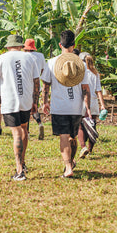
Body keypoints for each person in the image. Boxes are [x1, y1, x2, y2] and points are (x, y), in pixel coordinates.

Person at [0, 34, 40, 181]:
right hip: (26, 100)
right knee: (24, 130)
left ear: (8, 46)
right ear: (21, 46)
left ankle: (19, 170)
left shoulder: (2, 58)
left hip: (10, 101)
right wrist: (35, 102)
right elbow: (36, 82)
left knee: (16, 133)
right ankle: (23, 162)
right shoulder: (30, 58)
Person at [42, 30, 91, 178]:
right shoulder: (81, 64)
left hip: (59, 107)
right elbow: (85, 89)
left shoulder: (51, 63)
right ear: (74, 45)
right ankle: (72, 161)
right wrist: (87, 107)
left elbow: (45, 86)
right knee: (73, 137)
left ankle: (68, 166)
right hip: (76, 107)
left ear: (59, 44)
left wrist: (44, 102)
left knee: (64, 136)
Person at [78, 52, 106, 158]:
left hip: (82, 101)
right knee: (92, 125)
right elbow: (99, 90)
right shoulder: (95, 73)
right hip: (94, 102)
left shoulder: (80, 73)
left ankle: (83, 147)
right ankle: (90, 149)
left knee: (81, 126)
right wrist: (102, 104)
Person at [23, 38, 46, 140]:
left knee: (26, 109)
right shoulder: (40, 56)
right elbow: (42, 70)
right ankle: (40, 123)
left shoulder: (24, 56)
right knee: (35, 105)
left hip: (26, 85)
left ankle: (27, 132)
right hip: (37, 85)